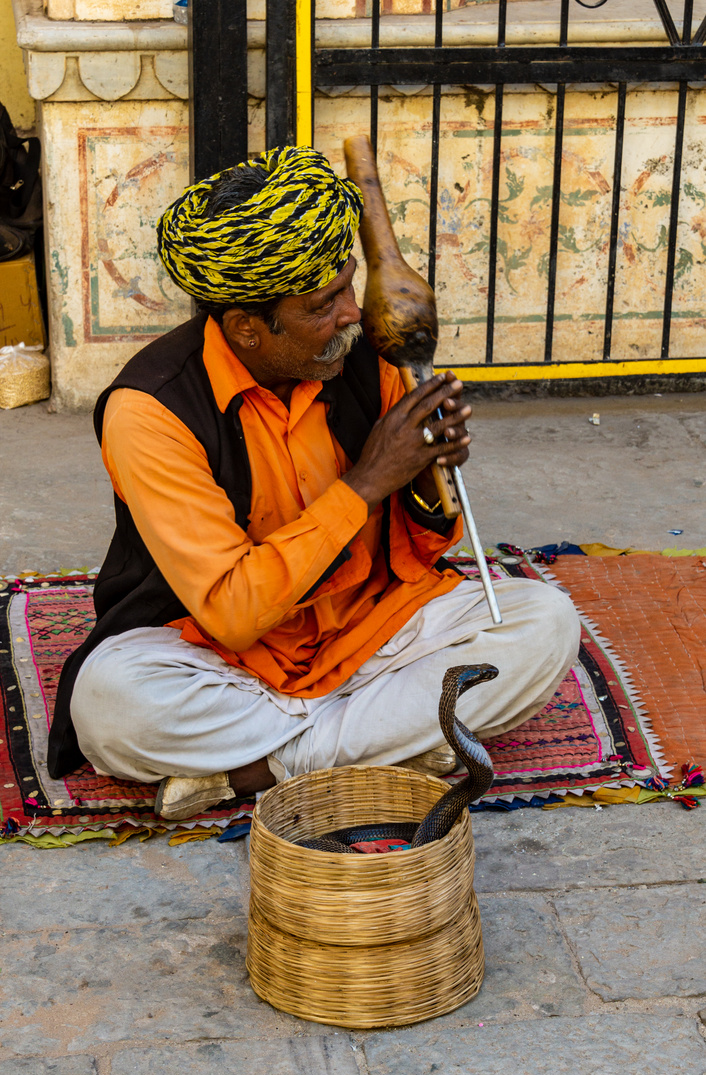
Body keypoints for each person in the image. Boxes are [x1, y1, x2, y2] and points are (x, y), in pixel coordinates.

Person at [47, 145, 580, 820]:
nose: (353, 315)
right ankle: (397, 744)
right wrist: (364, 484)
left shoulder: (361, 354)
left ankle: (265, 769)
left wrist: (422, 476)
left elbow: (423, 548)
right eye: (324, 305)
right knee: (109, 703)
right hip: (223, 658)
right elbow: (233, 613)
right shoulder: (151, 412)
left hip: (370, 629)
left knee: (544, 624)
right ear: (246, 328)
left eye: (350, 287)